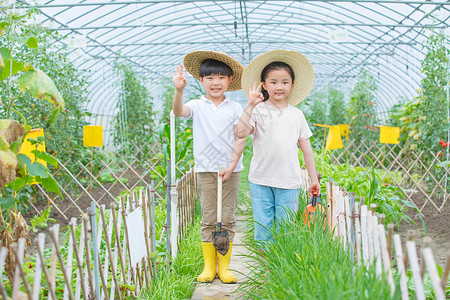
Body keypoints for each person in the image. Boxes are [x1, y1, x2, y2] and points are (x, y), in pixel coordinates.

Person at [172, 51, 245, 284]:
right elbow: (178, 112)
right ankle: (208, 267)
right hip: (205, 170)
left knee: (228, 218)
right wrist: (179, 90)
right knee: (209, 218)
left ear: (230, 80)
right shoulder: (196, 105)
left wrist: (232, 166)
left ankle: (224, 267)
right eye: (210, 77)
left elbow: (241, 137)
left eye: (221, 77)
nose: (216, 82)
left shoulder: (235, 108)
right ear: (201, 81)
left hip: (230, 172)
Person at [235, 49, 320, 242]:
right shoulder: (257, 110)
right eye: (273, 82)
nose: (279, 87)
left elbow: (307, 150)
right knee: (263, 229)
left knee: (286, 230)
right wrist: (249, 105)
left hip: (289, 181)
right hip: (260, 180)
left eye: (284, 82)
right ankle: (266, 268)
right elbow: (240, 132)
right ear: (264, 85)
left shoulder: (296, 114)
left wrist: (313, 179)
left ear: (292, 84)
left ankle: (280, 269)